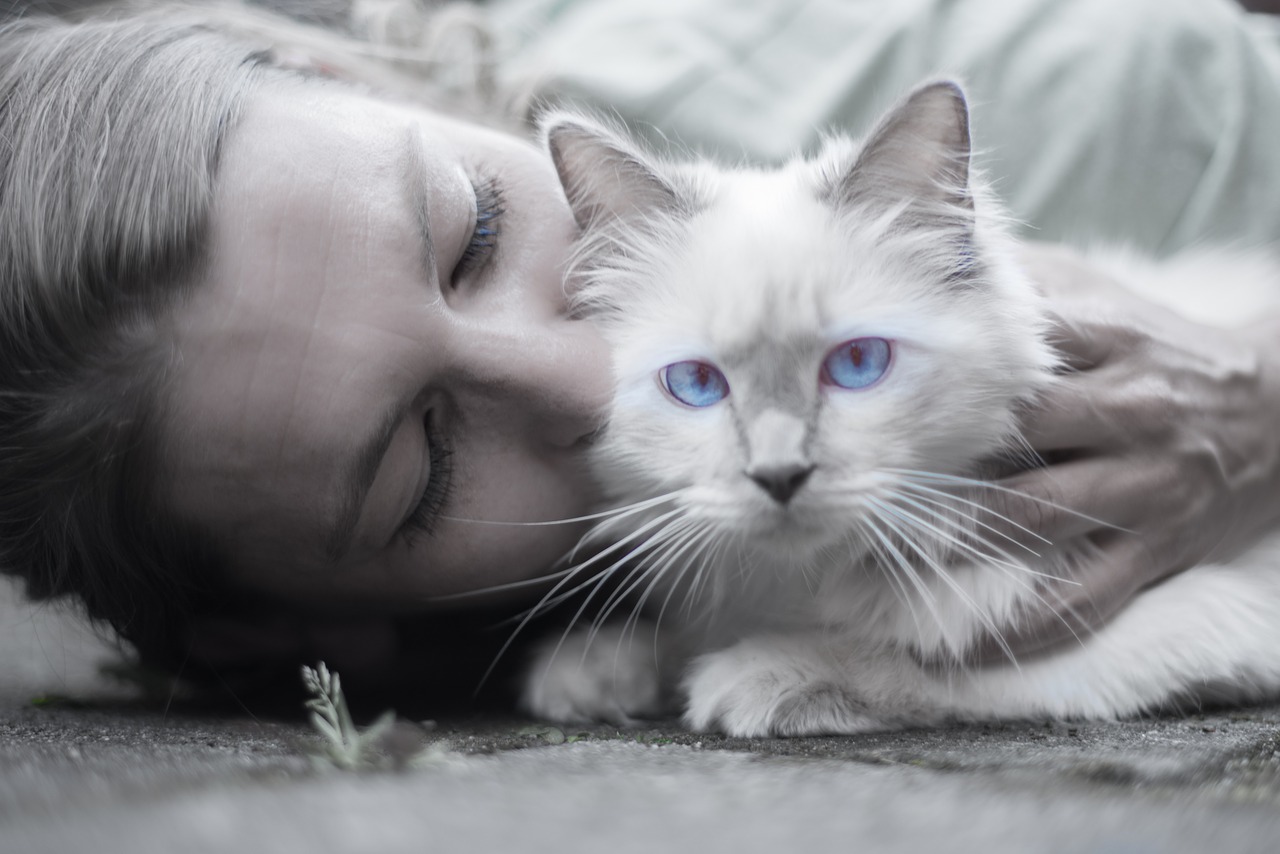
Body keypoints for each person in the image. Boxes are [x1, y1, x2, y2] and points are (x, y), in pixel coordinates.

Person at [0, 0, 1277, 708]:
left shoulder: (839, 80)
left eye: (477, 231)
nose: (578, 378)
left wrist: (1261, 391)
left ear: (347, 66)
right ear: (291, 631)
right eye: (424, 466)